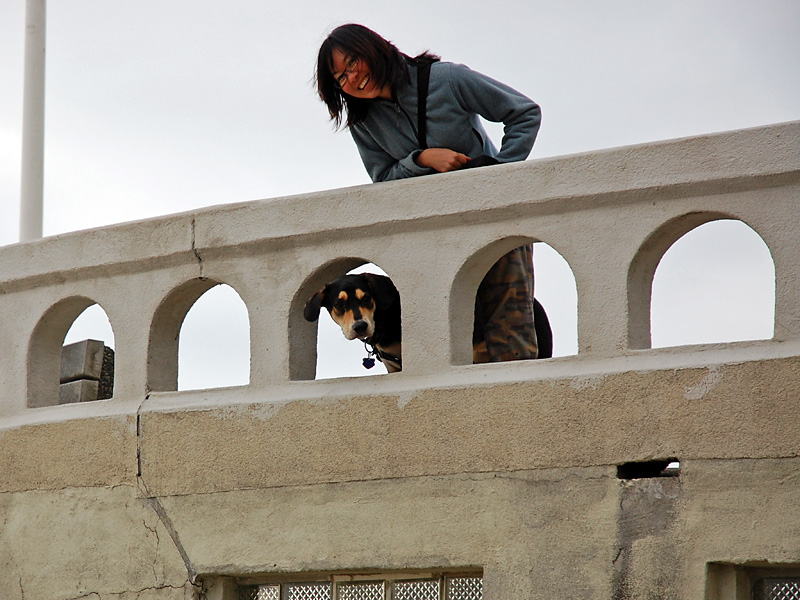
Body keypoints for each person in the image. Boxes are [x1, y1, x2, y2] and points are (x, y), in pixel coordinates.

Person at [315, 23, 542, 362]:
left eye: (352, 63)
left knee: (509, 319)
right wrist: (421, 160)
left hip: (494, 218)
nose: (351, 78)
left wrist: (498, 176)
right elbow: (384, 179)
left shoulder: (447, 80)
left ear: (374, 48)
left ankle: (519, 407)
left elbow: (524, 113)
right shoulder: (363, 123)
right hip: (434, 236)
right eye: (340, 78)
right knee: (438, 329)